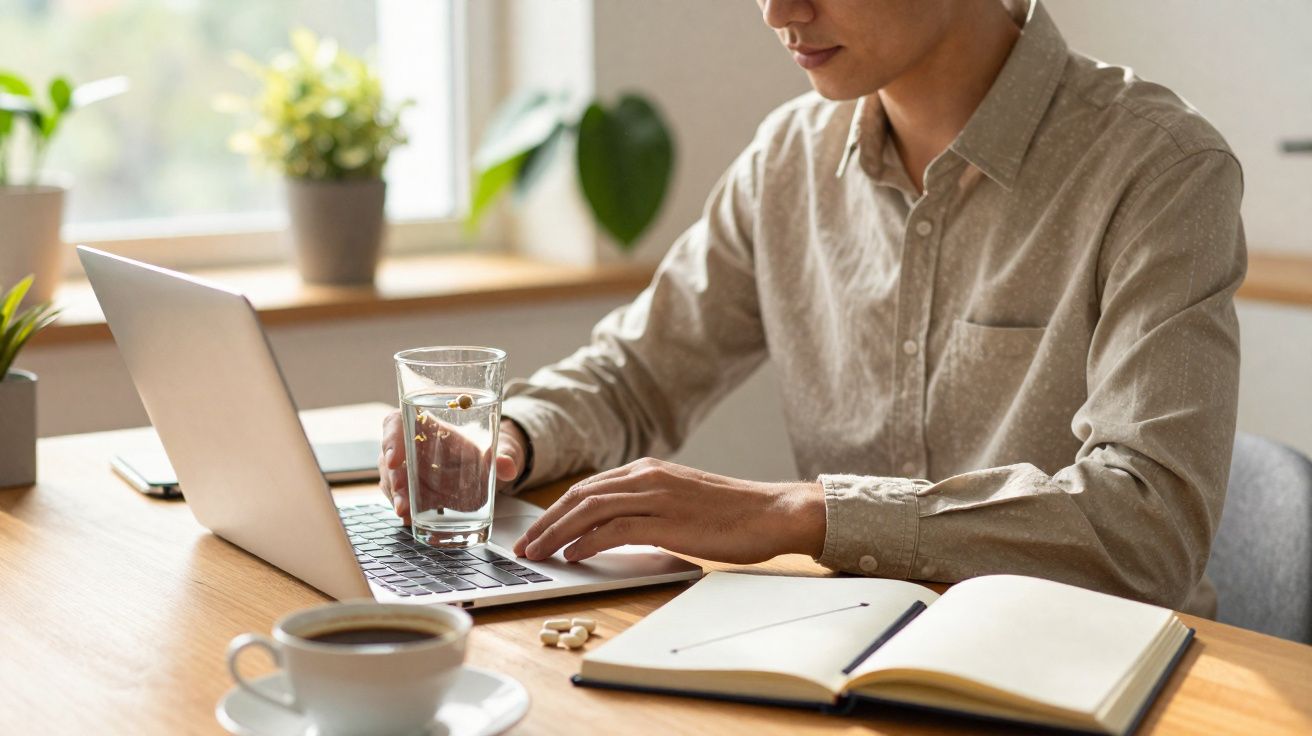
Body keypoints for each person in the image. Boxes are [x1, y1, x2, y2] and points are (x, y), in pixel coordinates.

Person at [379, 0, 1245, 616]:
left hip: (1089, 671)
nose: (775, 10)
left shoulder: (1161, 170)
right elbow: (638, 374)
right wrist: (513, 435)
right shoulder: (790, 155)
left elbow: (1149, 526)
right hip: (845, 649)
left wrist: (804, 512)